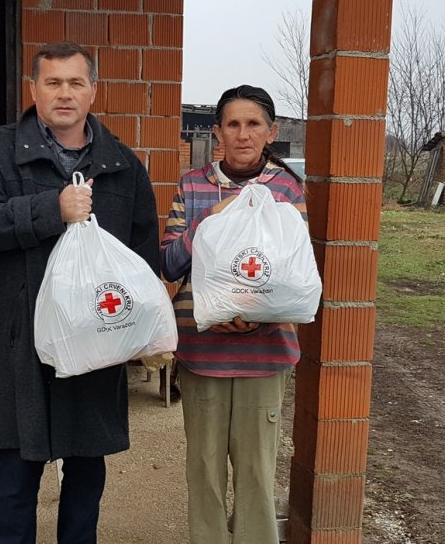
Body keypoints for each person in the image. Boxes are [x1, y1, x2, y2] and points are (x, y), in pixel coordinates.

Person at [0, 41, 160, 543]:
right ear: (34, 89)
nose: (64, 93)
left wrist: (143, 331)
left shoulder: (122, 165)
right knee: (19, 478)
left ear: (93, 90)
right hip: (23, 344)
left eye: (75, 82)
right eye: (53, 82)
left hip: (96, 344)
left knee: (87, 475)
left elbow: (142, 257)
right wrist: (50, 209)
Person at [160, 85, 307, 544]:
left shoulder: (284, 189)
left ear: (271, 132)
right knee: (203, 472)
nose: (243, 135)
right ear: (217, 131)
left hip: (264, 356)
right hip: (202, 353)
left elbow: (295, 274)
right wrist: (210, 222)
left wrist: (257, 317)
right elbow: (168, 263)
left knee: (257, 473)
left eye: (254, 124)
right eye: (233, 124)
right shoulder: (193, 185)